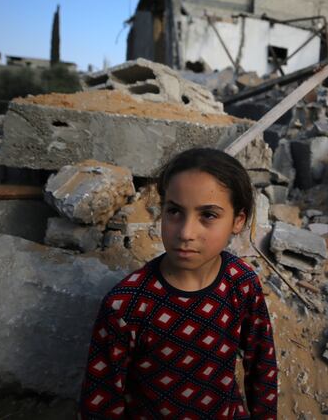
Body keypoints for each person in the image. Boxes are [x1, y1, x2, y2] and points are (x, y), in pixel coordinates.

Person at [80, 148, 278, 419]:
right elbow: (101, 401)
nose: (186, 233)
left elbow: (262, 368)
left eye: (208, 215)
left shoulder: (241, 283)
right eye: (174, 211)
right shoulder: (126, 305)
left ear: (238, 220)